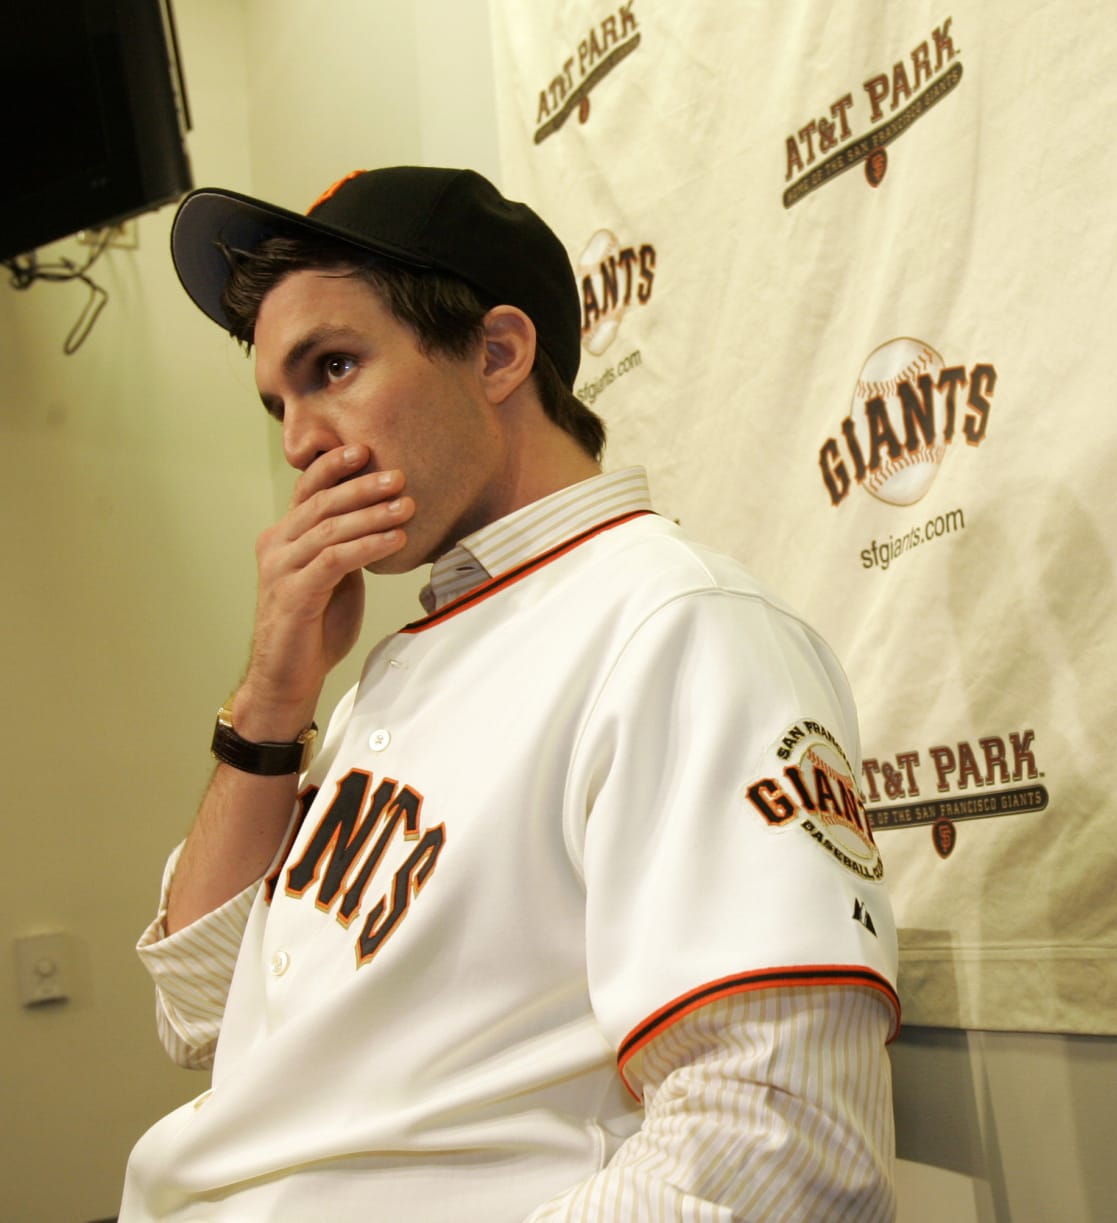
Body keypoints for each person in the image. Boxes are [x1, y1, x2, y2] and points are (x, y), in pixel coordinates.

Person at [121, 166, 900, 1221]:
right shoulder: (395, 662)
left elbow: (779, 1140)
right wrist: (271, 698)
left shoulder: (678, 624)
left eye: (334, 366)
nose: (299, 440)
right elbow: (204, 1014)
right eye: (280, 401)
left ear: (497, 353)